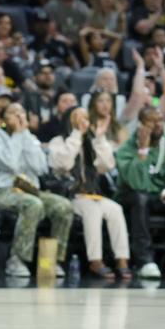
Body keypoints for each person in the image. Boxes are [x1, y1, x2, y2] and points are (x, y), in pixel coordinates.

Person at [0, 101, 74, 278]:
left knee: (64, 206)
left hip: (31, 191)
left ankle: (53, 260)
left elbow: (40, 168)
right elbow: (12, 164)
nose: (18, 116)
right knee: (33, 205)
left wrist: (25, 136)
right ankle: (17, 260)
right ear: (3, 119)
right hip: (2, 192)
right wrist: (18, 135)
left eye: (21, 112)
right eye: (12, 113)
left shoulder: (29, 137)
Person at [48, 106, 130, 280]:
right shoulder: (59, 141)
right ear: (68, 120)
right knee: (92, 211)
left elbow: (107, 165)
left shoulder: (91, 142)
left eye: (85, 117)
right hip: (71, 196)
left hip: (93, 195)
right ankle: (95, 261)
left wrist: (100, 137)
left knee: (115, 209)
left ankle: (122, 260)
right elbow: (64, 163)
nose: (82, 121)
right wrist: (76, 135)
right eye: (77, 117)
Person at [114, 106, 165, 279]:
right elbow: (137, 184)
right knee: (140, 198)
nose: (158, 125)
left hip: (162, 196)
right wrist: (142, 150)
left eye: (160, 120)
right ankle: (145, 261)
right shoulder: (127, 149)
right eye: (152, 121)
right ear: (141, 125)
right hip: (131, 197)